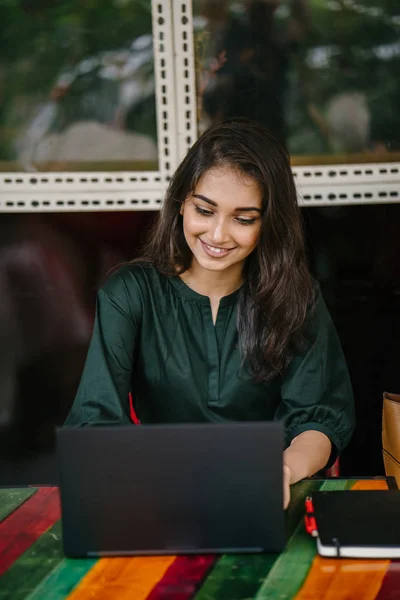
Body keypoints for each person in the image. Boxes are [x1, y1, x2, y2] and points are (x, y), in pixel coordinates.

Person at [65, 118, 355, 508]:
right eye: (205, 210)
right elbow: (95, 421)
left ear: (268, 222)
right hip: (156, 495)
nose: (218, 235)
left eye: (243, 219)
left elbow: (319, 419)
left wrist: (282, 471)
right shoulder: (130, 293)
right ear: (182, 202)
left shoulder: (296, 298)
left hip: (266, 496)